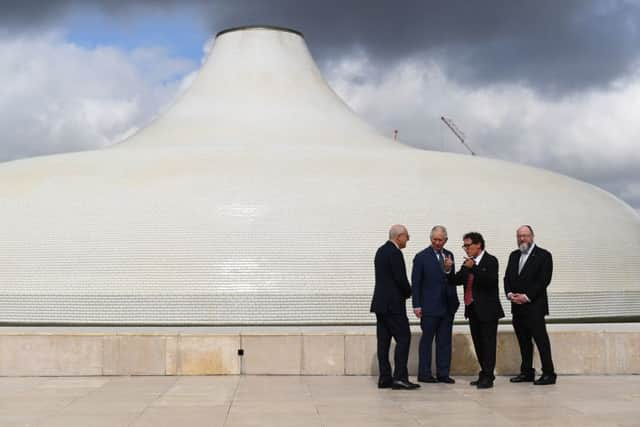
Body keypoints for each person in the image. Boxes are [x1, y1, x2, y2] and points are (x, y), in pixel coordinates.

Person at [504, 225, 557, 385]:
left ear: (532, 236)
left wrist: (527, 297)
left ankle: (549, 373)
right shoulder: (514, 255)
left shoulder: (543, 255)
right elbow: (507, 278)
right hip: (517, 307)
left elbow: (544, 280)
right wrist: (510, 294)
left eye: (525, 236)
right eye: (519, 236)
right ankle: (527, 372)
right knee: (523, 341)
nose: (522, 239)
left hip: (534, 307)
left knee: (541, 341)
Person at [370, 224, 420, 390]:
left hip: (380, 304)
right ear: (399, 237)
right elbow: (400, 278)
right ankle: (400, 377)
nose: (408, 239)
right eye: (406, 236)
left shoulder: (380, 251)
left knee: (383, 341)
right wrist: (410, 292)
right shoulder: (395, 253)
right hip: (393, 305)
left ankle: (385, 377)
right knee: (404, 338)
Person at [454, 232, 504, 389]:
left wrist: (474, 267)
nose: (466, 249)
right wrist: (448, 269)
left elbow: (489, 281)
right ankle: (484, 372)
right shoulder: (468, 263)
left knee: (488, 344)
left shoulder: (490, 260)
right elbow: (456, 280)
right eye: (464, 246)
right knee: (478, 343)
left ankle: (489, 376)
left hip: (488, 310)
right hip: (472, 308)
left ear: (479, 245)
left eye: (468, 245)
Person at [411, 225, 459, 384]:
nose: (437, 243)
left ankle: (443, 373)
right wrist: (416, 305)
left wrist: (448, 270)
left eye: (440, 240)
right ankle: (424, 373)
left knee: (444, 341)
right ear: (430, 239)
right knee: (427, 340)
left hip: (447, 306)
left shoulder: (449, 255)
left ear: (445, 240)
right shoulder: (421, 257)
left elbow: (451, 279)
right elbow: (416, 283)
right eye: (434, 239)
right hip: (429, 306)